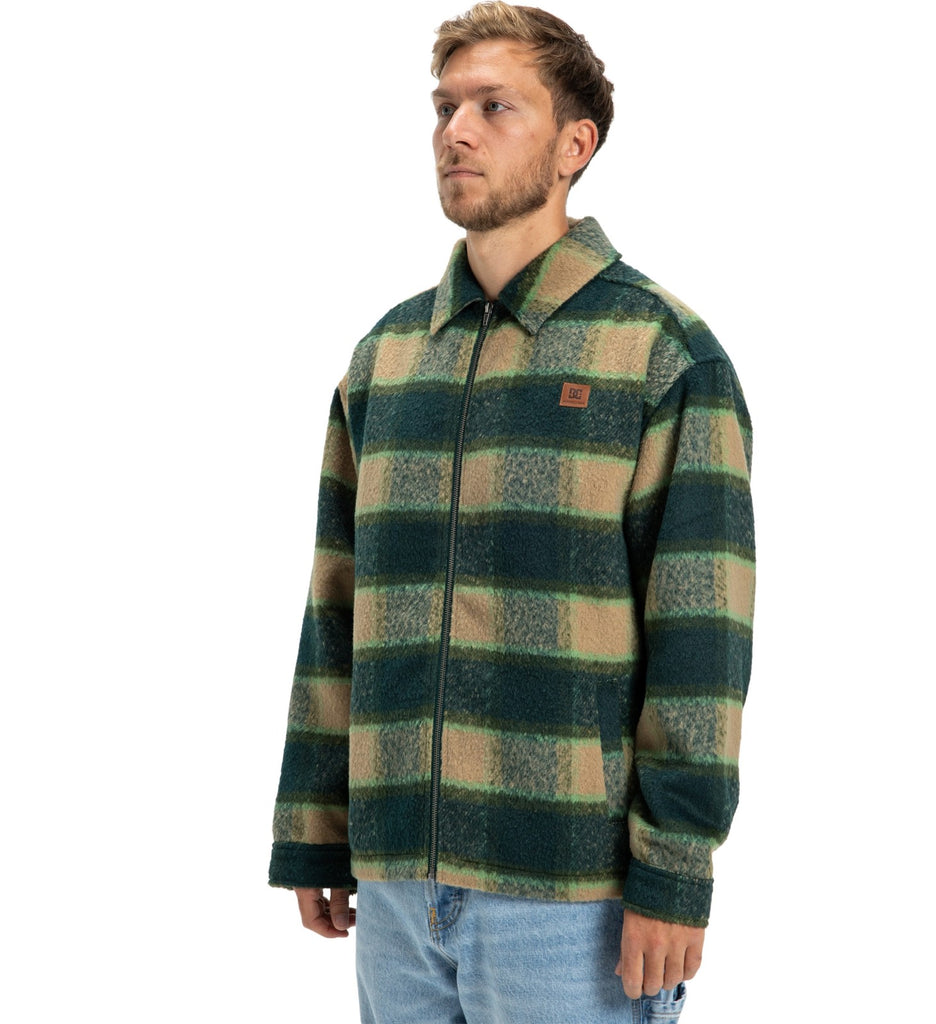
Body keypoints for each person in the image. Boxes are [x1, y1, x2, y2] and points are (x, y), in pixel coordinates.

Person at [269, 4, 755, 1021]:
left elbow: (702, 641)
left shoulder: (660, 352)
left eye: (495, 107)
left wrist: (675, 871)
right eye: (445, 107)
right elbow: (336, 604)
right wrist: (315, 825)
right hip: (395, 887)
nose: (456, 131)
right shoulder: (387, 357)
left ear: (575, 144)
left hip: (572, 897)